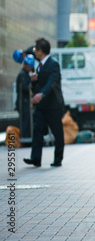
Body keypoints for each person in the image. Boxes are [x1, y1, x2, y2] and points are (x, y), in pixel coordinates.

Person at [23, 38, 65, 167]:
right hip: (41, 105)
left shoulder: (53, 64)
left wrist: (41, 94)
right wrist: (35, 79)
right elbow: (40, 82)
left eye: (36, 49)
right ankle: (36, 158)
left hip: (52, 105)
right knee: (37, 130)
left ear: (40, 51)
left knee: (57, 132)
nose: (34, 51)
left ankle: (58, 159)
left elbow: (52, 82)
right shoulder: (39, 65)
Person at [15, 54, 35, 140]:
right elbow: (25, 87)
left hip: (26, 102)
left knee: (28, 121)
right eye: (29, 66)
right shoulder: (22, 75)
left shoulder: (26, 74)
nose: (30, 68)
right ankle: (25, 138)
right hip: (23, 103)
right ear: (25, 65)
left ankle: (27, 137)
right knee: (25, 121)